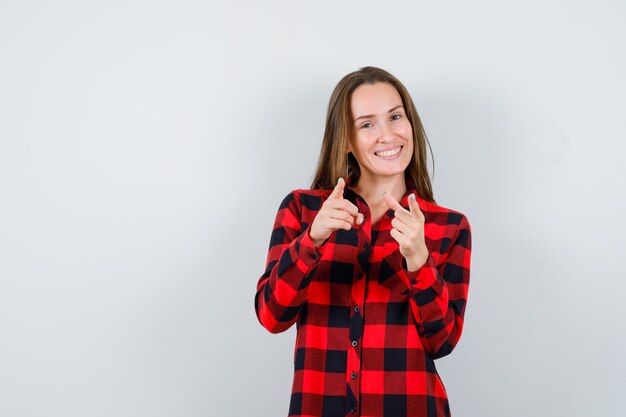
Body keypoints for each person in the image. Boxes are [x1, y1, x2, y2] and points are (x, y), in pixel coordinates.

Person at [254, 66, 472, 417]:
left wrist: (419, 259)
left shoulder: (448, 226)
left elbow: (442, 342)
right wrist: (314, 239)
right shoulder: (303, 209)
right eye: (367, 124)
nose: (387, 135)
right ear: (348, 140)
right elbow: (271, 316)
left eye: (395, 117)